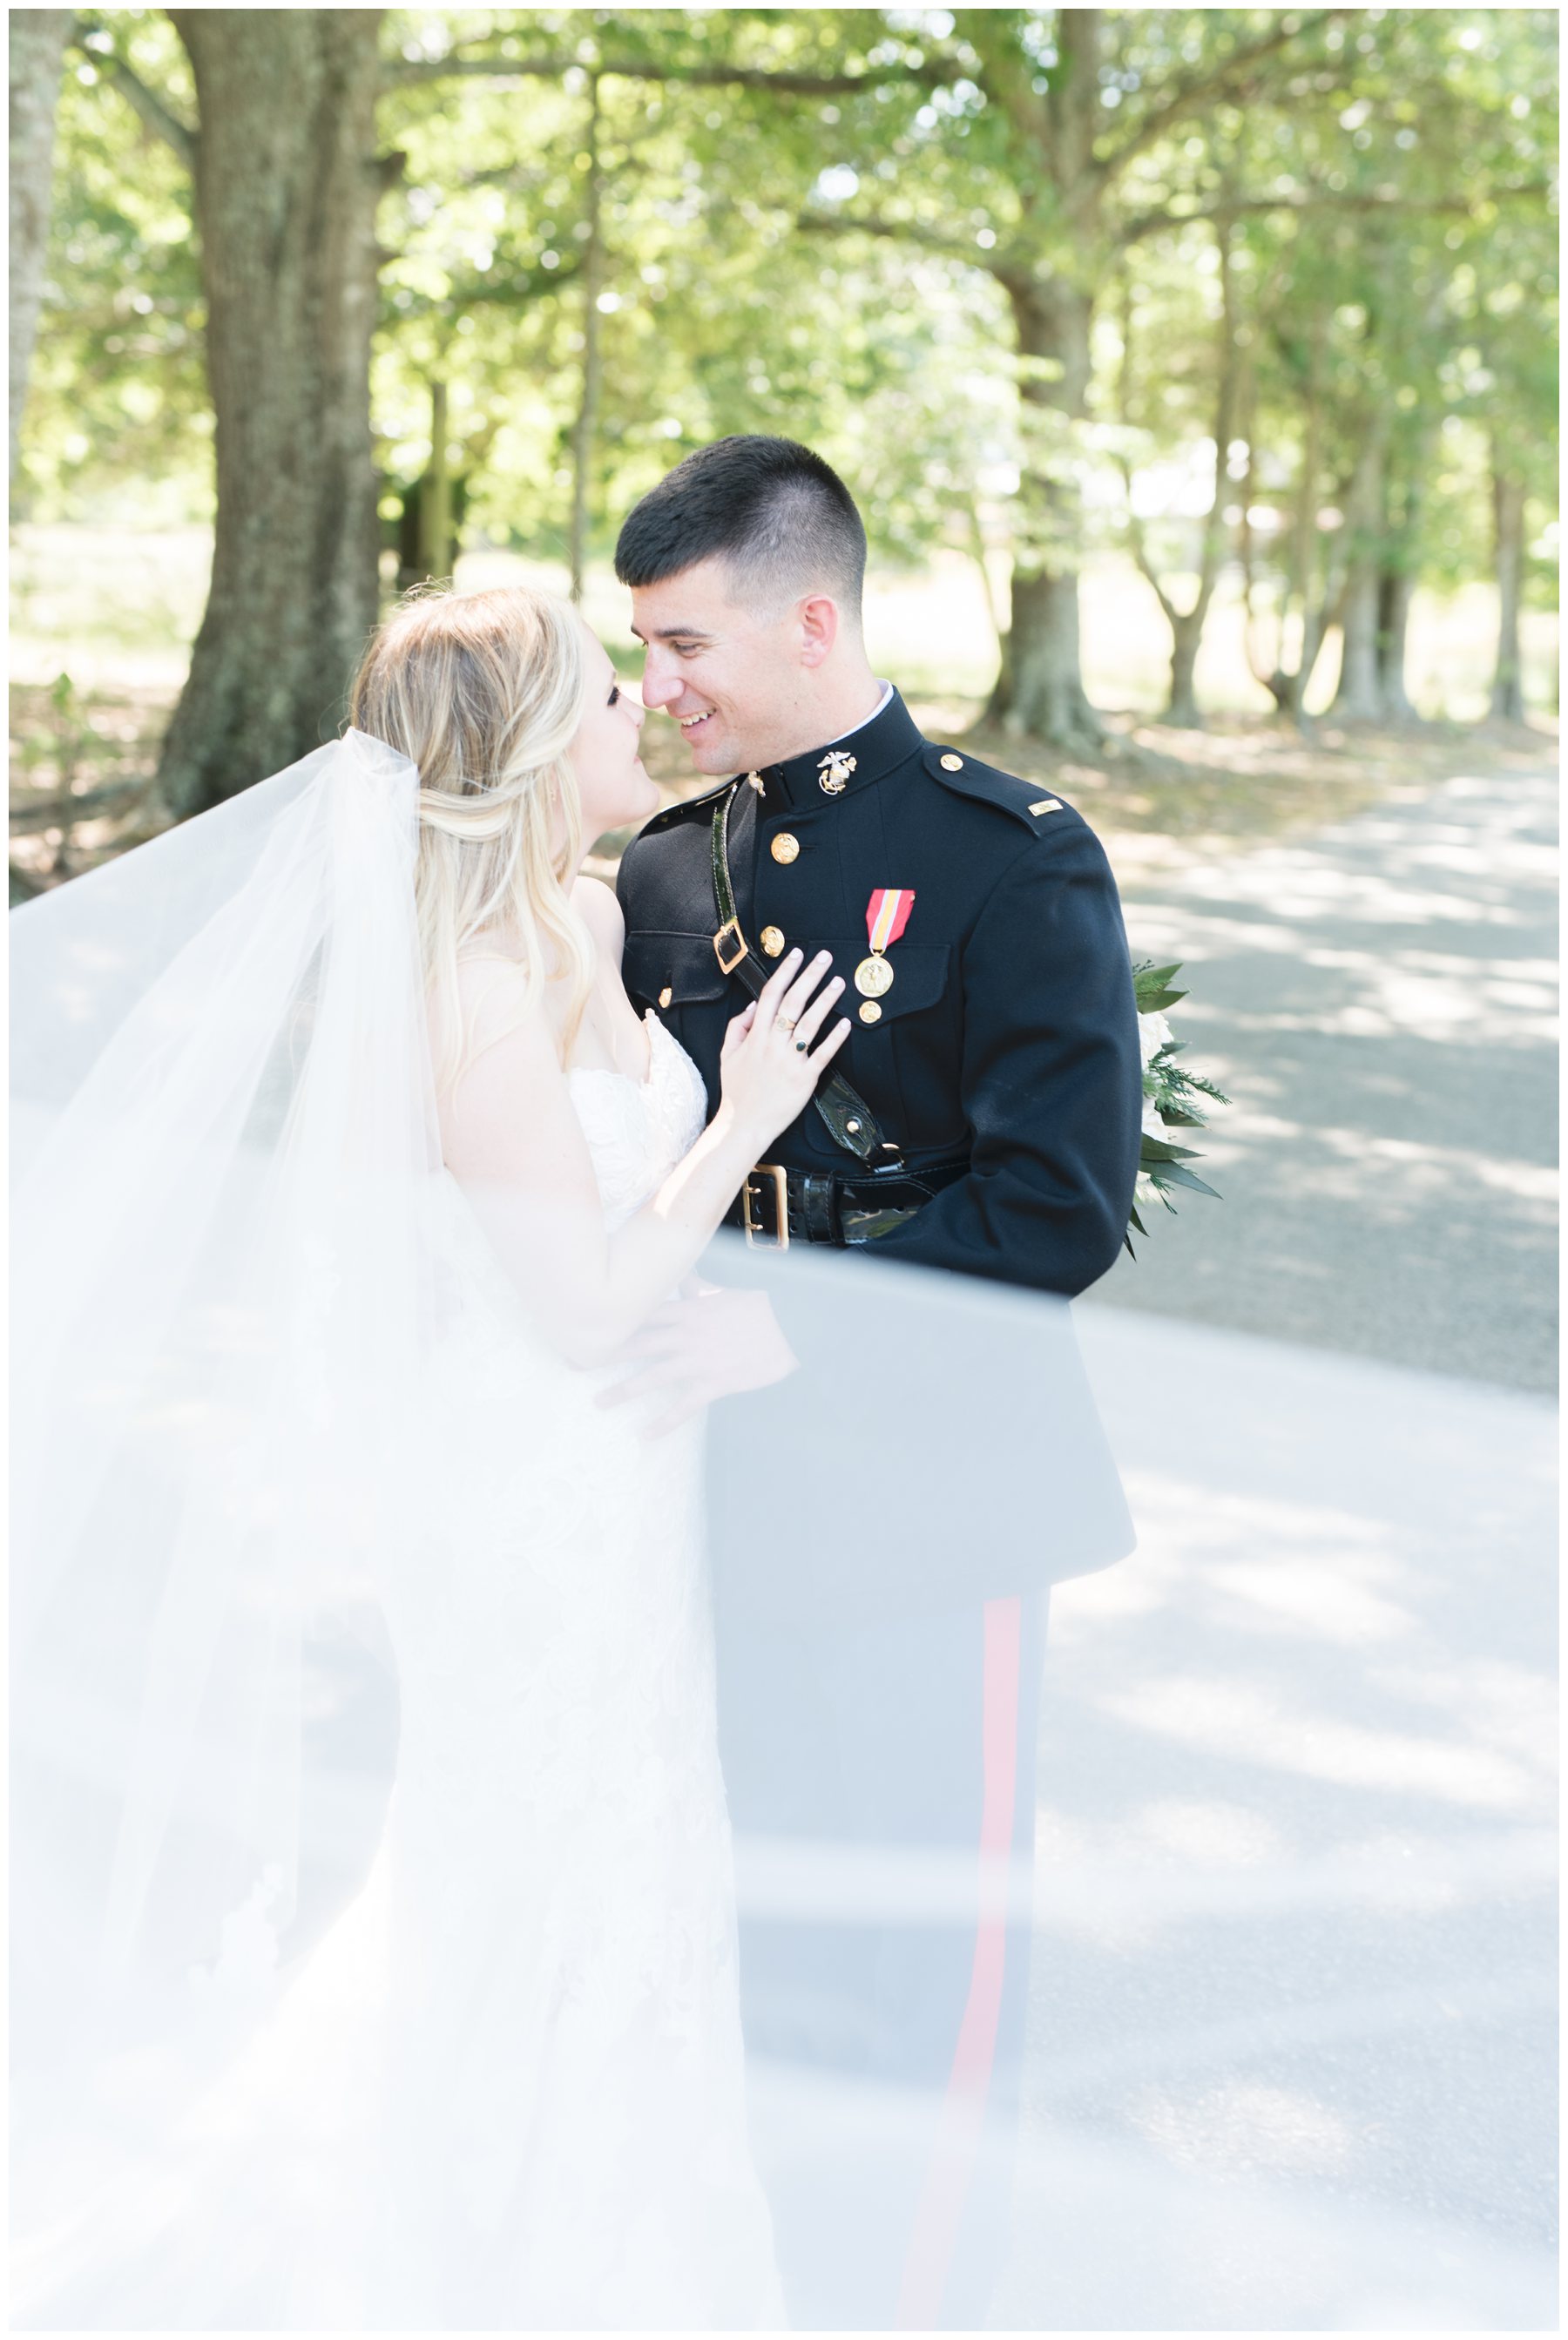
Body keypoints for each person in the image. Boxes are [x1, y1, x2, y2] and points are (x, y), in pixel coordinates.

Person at [10, 585, 852, 2329]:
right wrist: (750, 1115)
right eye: (600, 683)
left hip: (622, 1491)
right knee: (527, 1867)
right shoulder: (470, 995)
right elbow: (592, 1297)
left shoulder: (583, 910)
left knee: (632, 1852)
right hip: (535, 1497)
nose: (638, 699)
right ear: (535, 748)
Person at [610, 436, 1143, 2326]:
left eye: (686, 642)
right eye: (642, 647)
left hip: (930, 1505)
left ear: (812, 615)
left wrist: (801, 1324)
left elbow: (1061, 1203)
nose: (659, 684)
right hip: (703, 1486)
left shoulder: (1008, 856)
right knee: (748, 1928)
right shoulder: (666, 864)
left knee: (919, 1957)